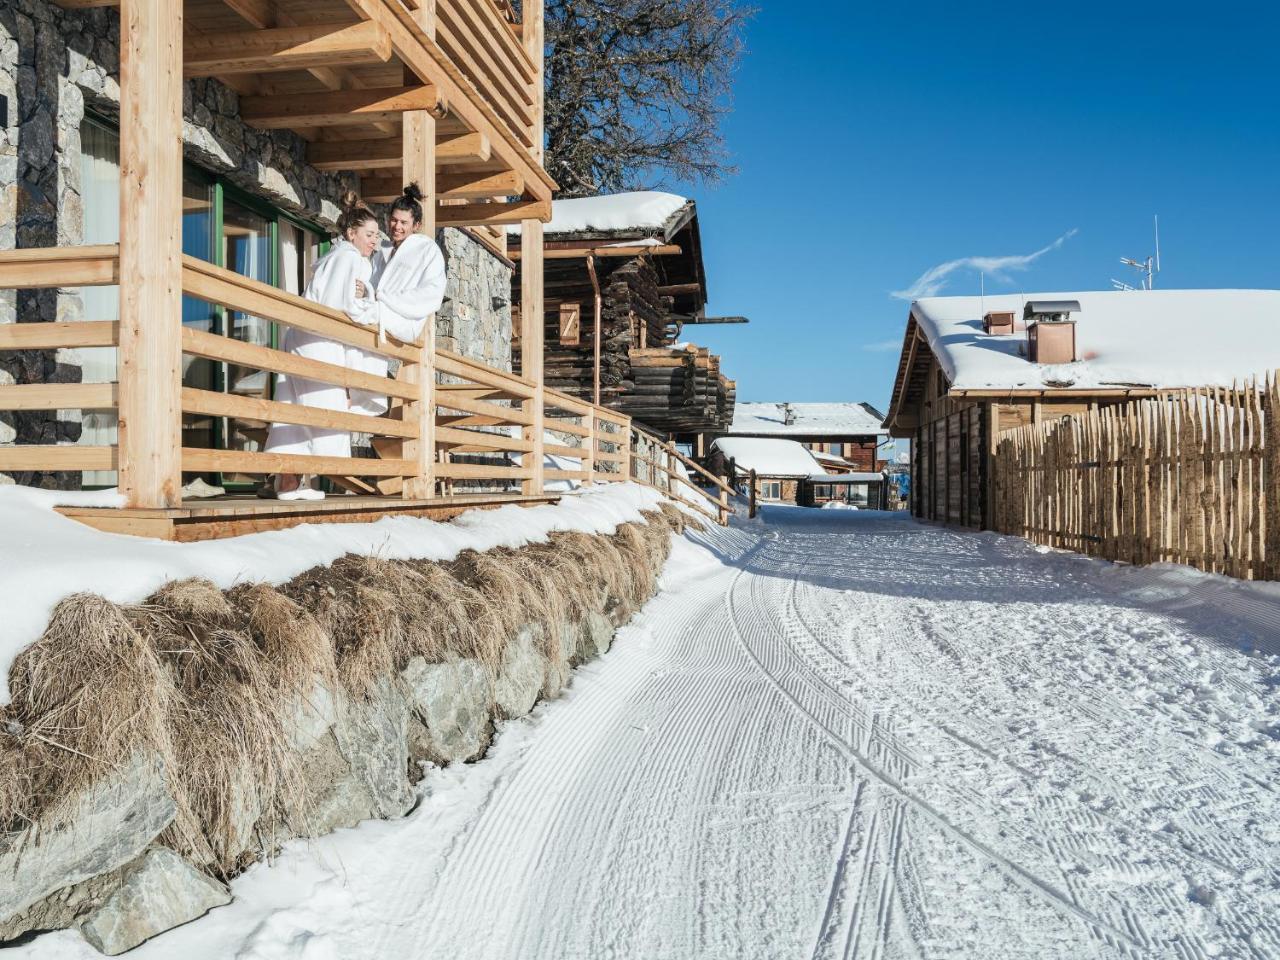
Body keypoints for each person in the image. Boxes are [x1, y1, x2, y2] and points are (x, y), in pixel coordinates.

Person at [262, 193, 381, 500]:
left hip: (305, 337)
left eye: (377, 236)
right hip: (319, 339)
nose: (374, 242)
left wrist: (365, 290)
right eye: (369, 235)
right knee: (325, 406)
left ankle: (290, 482)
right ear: (351, 233)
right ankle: (294, 481)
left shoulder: (336, 258)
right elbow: (345, 307)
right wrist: (370, 300)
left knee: (295, 406)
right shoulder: (349, 258)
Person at [349, 183, 447, 416]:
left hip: (404, 318)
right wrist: (367, 292)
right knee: (351, 317)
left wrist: (384, 297)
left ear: (416, 225)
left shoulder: (427, 250)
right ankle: (350, 389)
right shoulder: (382, 249)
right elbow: (372, 282)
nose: (397, 227)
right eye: (394, 220)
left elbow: (432, 294)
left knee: (360, 318)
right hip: (380, 310)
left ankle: (363, 395)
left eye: (404, 223)